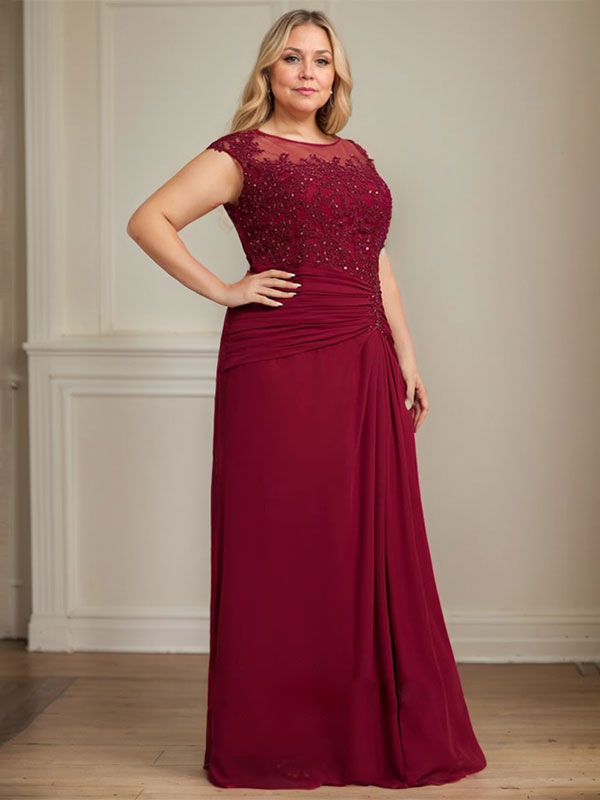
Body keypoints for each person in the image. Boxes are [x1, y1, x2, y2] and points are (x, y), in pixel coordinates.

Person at [126, 7, 487, 791]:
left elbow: (375, 260)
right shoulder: (241, 153)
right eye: (292, 57)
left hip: (362, 356)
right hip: (276, 361)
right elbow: (149, 220)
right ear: (269, 70)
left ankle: (354, 730)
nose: (307, 71)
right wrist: (225, 289)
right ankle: (279, 736)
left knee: (359, 536)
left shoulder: (355, 157)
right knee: (284, 537)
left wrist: (407, 353)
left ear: (337, 76)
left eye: (322, 59)